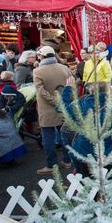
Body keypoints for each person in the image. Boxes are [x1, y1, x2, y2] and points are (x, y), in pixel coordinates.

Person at [60, 80, 112, 176]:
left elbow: (61, 108)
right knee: (107, 181)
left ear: (91, 91)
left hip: (82, 152)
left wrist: (68, 89)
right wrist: (110, 151)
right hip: (106, 153)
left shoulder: (81, 104)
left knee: (85, 182)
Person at [33, 45, 72, 175]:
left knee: (48, 137)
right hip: (64, 106)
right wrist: (62, 101)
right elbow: (71, 86)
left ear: (42, 56)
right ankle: (68, 161)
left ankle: (51, 165)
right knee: (65, 135)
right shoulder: (65, 68)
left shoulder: (38, 71)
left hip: (47, 109)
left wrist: (55, 101)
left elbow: (41, 91)